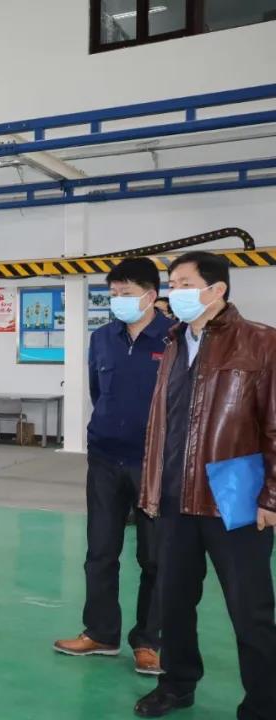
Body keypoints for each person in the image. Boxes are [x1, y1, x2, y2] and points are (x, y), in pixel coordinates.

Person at [133, 251, 276, 719]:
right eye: (172, 284)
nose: (175, 292)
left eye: (185, 283)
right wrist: (153, 488)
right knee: (174, 601)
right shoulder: (174, 342)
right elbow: (163, 421)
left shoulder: (261, 343)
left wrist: (272, 497)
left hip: (235, 498)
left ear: (217, 290)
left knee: (251, 611)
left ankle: (263, 703)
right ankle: (177, 685)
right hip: (176, 497)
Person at [54, 257, 172, 675]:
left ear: (151, 296)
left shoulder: (174, 338)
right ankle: (101, 633)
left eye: (126, 293)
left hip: (154, 463)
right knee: (100, 551)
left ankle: (149, 641)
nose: (118, 300)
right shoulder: (102, 338)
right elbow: (97, 390)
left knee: (154, 557)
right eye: (114, 293)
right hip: (105, 458)